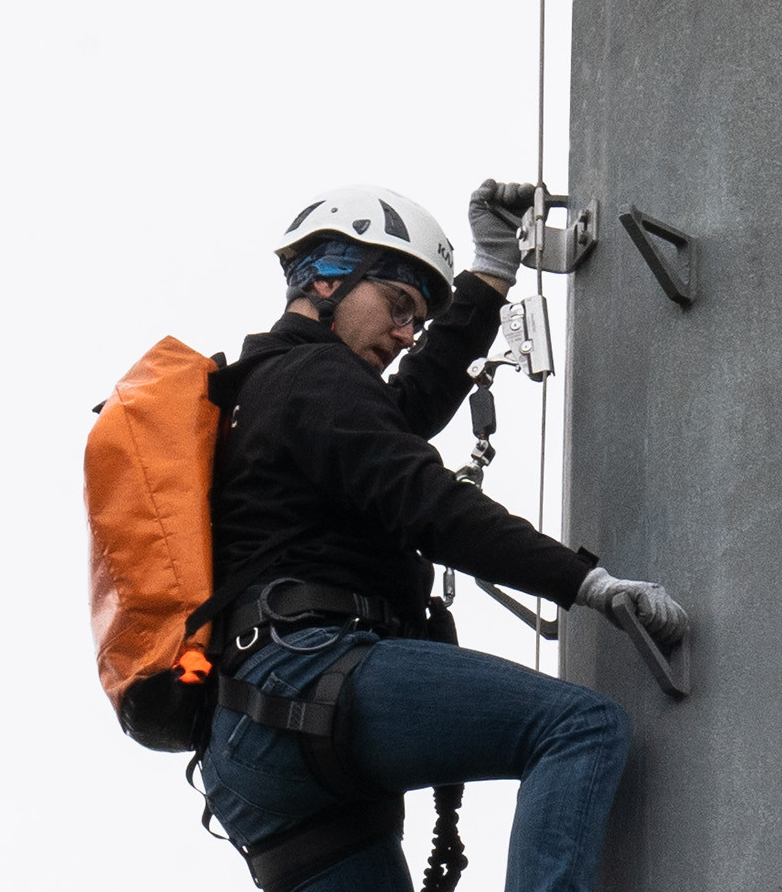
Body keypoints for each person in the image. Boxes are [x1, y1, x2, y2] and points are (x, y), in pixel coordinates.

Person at [197, 182, 687, 892]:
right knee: (579, 728)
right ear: (328, 276)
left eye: (417, 322)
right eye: (398, 307)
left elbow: (406, 409)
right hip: (307, 676)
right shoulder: (312, 377)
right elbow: (430, 506)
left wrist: (491, 271)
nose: (405, 335)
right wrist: (591, 585)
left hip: (248, 748)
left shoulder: (270, 388)